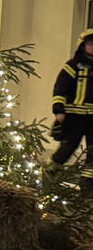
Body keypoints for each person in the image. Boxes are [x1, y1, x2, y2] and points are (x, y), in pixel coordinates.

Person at [51, 28, 93, 191]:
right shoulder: (72, 66)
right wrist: (58, 110)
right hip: (73, 116)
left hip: (92, 118)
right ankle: (49, 174)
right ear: (83, 46)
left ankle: (88, 184)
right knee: (67, 147)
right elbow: (60, 88)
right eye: (90, 44)